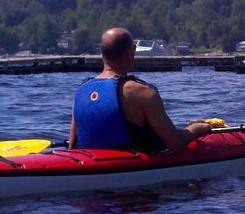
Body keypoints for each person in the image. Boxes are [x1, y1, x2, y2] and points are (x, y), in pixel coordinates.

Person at [69, 27, 212, 153]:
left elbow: (72, 147)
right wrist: (196, 129)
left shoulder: (81, 91)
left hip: (89, 165)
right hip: (132, 170)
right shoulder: (143, 92)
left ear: (103, 54)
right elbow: (176, 143)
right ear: (129, 54)